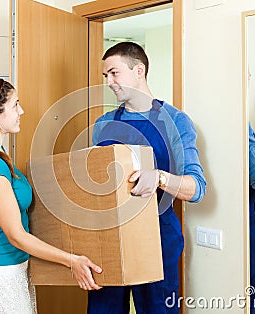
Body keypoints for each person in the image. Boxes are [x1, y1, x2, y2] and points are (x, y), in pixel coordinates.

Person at [0, 78, 102, 313]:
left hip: (12, 271)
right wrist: (71, 260)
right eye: (15, 105)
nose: (21, 111)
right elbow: (16, 236)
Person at [88, 42, 206, 314]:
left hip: (158, 240)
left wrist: (161, 178)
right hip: (108, 241)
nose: (109, 81)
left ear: (139, 70)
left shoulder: (176, 122)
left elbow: (197, 189)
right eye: (105, 75)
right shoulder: (103, 124)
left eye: (114, 73)